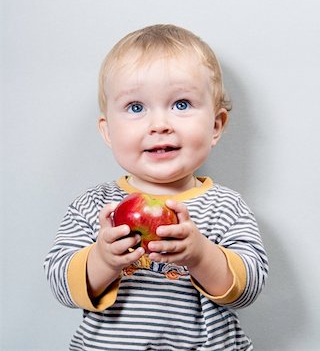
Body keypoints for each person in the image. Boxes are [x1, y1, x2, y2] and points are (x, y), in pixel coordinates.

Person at [44, 24, 268, 351]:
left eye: (181, 104)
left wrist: (200, 255)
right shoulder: (95, 207)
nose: (159, 125)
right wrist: (103, 260)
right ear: (108, 132)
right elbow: (60, 283)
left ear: (216, 125)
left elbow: (249, 288)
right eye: (136, 108)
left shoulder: (226, 207)